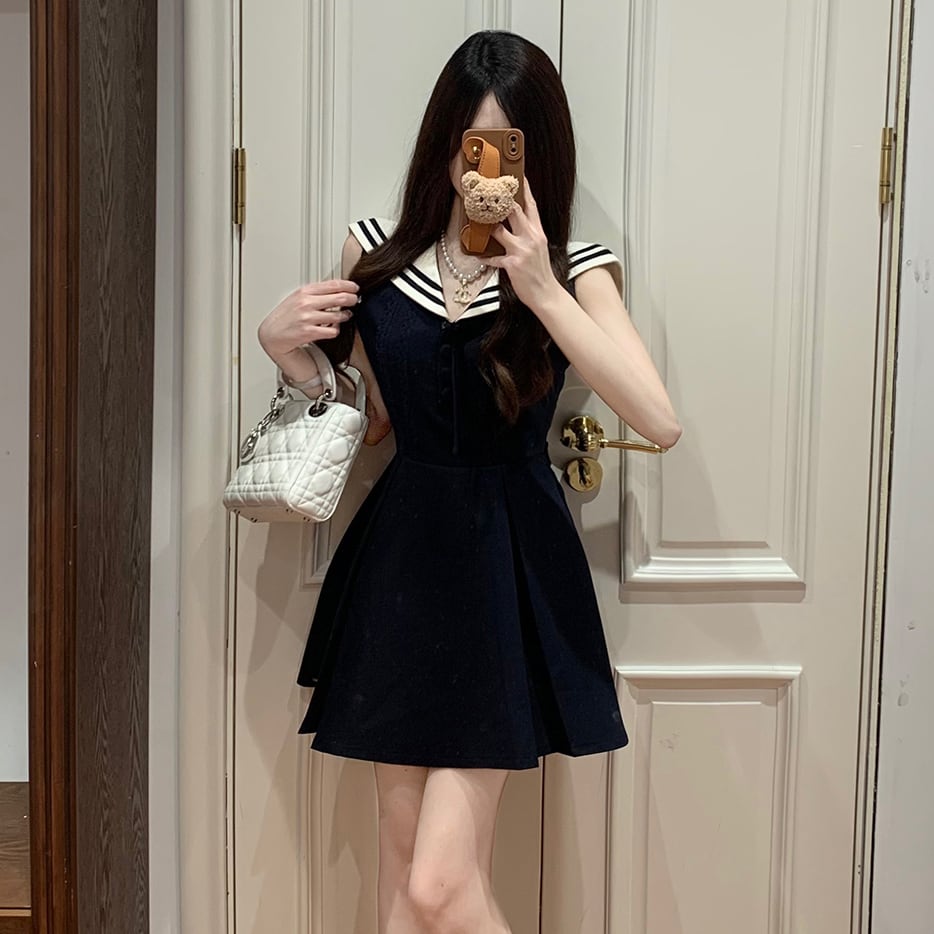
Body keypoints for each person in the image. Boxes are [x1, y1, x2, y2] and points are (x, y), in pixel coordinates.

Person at [257, 29, 681, 934]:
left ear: (536, 154)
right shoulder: (376, 252)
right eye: (466, 143)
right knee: (401, 867)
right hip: (401, 563)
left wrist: (542, 290)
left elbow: (658, 419)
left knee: (440, 887)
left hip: (507, 569)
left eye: (503, 148)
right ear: (442, 141)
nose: (480, 169)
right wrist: (288, 354)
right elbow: (368, 420)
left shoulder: (573, 269)